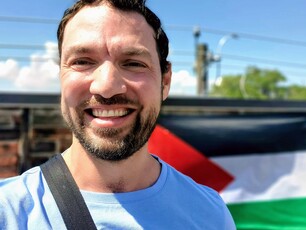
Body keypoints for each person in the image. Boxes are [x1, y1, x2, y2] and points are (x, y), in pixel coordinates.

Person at [0, 0, 236, 229]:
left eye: (133, 63)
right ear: (61, 77)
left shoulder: (211, 215)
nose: (107, 86)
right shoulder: (8, 212)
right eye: (82, 61)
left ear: (165, 82)